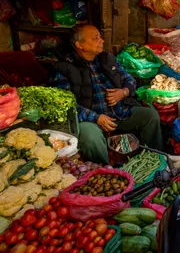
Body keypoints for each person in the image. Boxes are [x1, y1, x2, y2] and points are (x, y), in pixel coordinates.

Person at [51, 25, 163, 165]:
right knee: (90, 136)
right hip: (92, 121)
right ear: (79, 45)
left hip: (120, 112)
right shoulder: (64, 69)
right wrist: (96, 118)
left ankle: (155, 160)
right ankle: (107, 170)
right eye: (95, 38)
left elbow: (129, 80)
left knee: (150, 116)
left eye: (100, 37)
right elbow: (65, 104)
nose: (101, 41)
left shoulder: (107, 59)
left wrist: (123, 92)